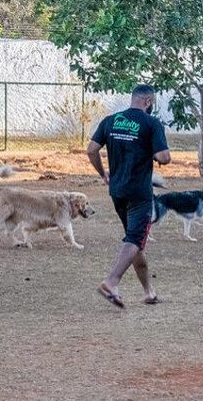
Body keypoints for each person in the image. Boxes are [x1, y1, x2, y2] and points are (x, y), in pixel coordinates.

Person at [87, 84, 171, 308]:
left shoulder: (110, 121)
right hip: (139, 193)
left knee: (135, 243)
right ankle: (111, 282)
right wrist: (155, 154)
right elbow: (164, 158)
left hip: (117, 191)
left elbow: (91, 150)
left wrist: (103, 174)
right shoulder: (151, 123)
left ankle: (149, 291)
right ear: (148, 102)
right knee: (134, 239)